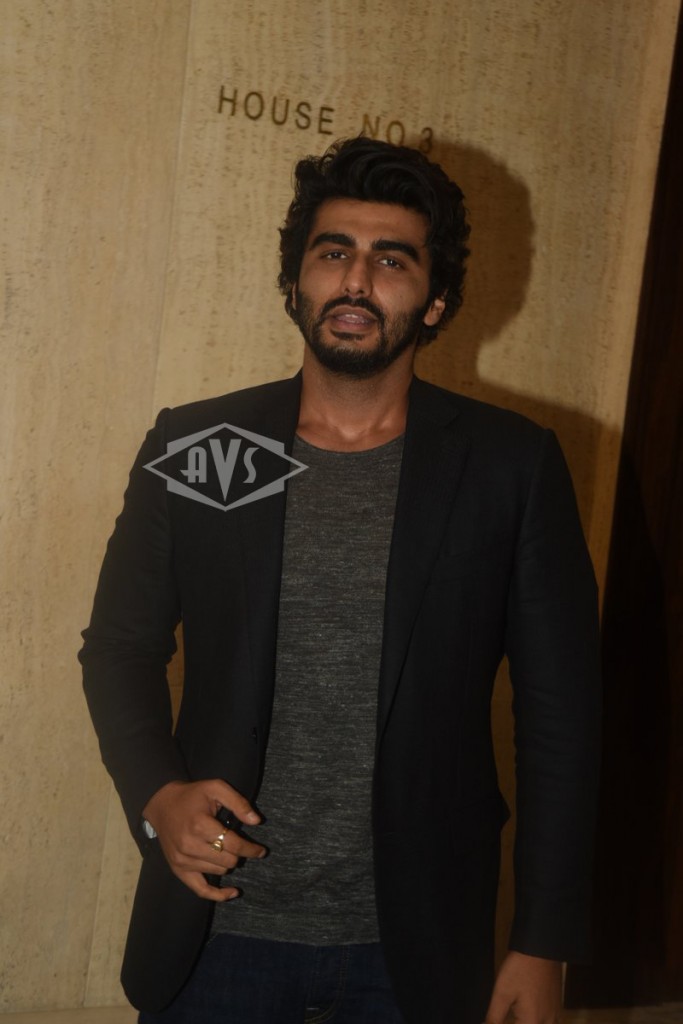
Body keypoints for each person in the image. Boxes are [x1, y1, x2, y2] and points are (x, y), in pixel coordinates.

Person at [80, 136, 601, 1024]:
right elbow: (119, 649)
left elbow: (562, 715)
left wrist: (542, 939)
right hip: (217, 930)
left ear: (434, 300)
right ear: (296, 284)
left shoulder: (508, 466)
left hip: (411, 947)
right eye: (333, 253)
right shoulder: (203, 448)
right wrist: (157, 796)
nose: (356, 280)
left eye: (390, 260)